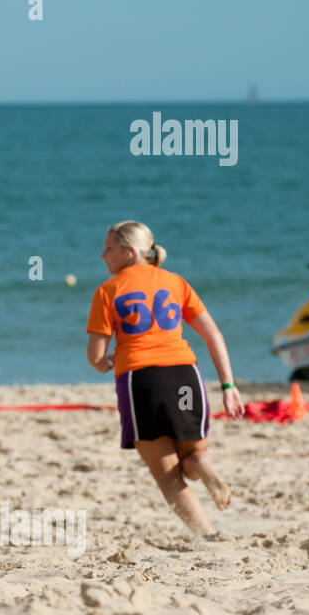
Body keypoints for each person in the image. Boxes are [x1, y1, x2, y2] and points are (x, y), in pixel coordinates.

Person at [86, 221, 244, 536]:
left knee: (169, 477)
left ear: (130, 253)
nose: (102, 254)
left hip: (141, 381)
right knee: (193, 456)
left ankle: (207, 535)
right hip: (185, 375)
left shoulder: (107, 291)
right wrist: (229, 386)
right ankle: (202, 466)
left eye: (109, 248)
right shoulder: (176, 283)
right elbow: (213, 334)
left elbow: (95, 357)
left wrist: (106, 365)